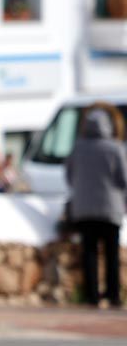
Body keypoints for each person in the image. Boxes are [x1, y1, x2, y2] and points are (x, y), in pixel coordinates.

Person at [65, 103, 127, 308]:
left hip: (84, 209)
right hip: (111, 208)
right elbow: (123, 178)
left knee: (89, 252)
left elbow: (69, 176)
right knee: (111, 253)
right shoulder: (115, 147)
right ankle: (113, 295)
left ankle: (92, 295)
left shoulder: (78, 147)